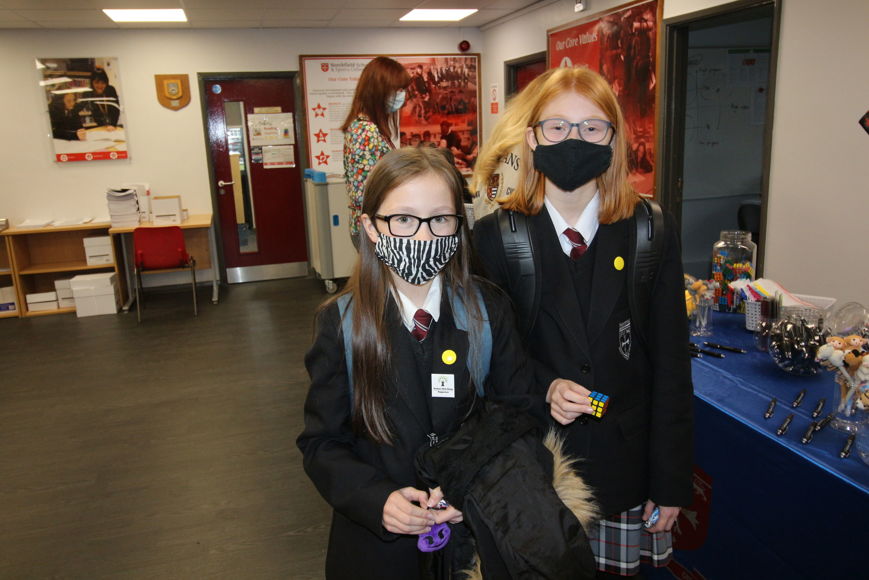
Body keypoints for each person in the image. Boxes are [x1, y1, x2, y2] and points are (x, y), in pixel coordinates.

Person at [297, 147, 596, 579]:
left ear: (459, 226)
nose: (423, 236)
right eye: (403, 219)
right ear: (371, 227)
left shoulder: (488, 311)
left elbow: (519, 415)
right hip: (377, 551)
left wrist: (472, 483)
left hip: (472, 539)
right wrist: (376, 499)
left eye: (440, 219)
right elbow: (321, 443)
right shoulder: (341, 325)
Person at [472, 66, 694, 578]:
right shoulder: (495, 237)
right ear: (532, 138)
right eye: (557, 127)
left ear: (614, 140)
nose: (574, 140)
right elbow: (489, 360)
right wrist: (546, 385)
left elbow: (671, 366)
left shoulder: (650, 230)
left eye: (592, 127)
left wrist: (671, 483)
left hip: (626, 467)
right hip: (535, 465)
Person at [342, 56, 410, 249]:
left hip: (373, 226)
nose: (402, 95)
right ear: (379, 90)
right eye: (397, 89)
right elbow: (364, 193)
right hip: (374, 228)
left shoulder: (366, 127)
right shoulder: (366, 131)